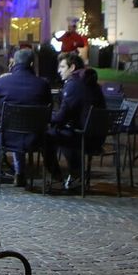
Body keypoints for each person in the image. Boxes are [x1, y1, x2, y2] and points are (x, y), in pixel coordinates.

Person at [0, 48, 52, 186]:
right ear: (32, 64)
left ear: (14, 62)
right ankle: (21, 172)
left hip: (5, 138)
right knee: (22, 127)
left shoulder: (2, 83)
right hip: (35, 138)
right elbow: (48, 112)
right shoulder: (43, 85)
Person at [46, 56, 108, 192]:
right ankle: (74, 175)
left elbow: (62, 116)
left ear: (72, 67)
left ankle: (61, 177)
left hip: (83, 137)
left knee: (48, 136)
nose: (59, 71)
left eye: (62, 67)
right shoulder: (91, 83)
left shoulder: (74, 84)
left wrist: (47, 117)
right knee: (60, 130)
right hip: (98, 136)